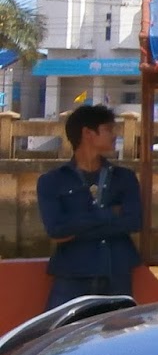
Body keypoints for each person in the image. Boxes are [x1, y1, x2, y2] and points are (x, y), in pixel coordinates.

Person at [35, 103, 143, 308]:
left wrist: (76, 228)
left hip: (116, 273)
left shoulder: (124, 177)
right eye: (108, 129)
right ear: (88, 133)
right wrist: (108, 213)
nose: (114, 135)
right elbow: (56, 230)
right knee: (62, 328)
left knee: (119, 329)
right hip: (72, 276)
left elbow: (133, 221)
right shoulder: (52, 181)